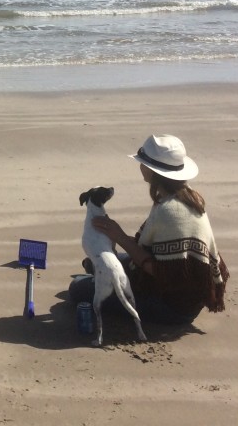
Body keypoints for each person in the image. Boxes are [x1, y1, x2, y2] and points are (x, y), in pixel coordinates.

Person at [69, 134, 229, 325]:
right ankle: (98, 276)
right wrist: (117, 235)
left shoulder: (168, 210)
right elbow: (159, 249)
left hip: (172, 306)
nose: (140, 166)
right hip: (189, 296)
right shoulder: (188, 196)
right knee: (93, 264)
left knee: (77, 288)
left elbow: (161, 271)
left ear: (152, 171)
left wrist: (119, 236)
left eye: (142, 163)